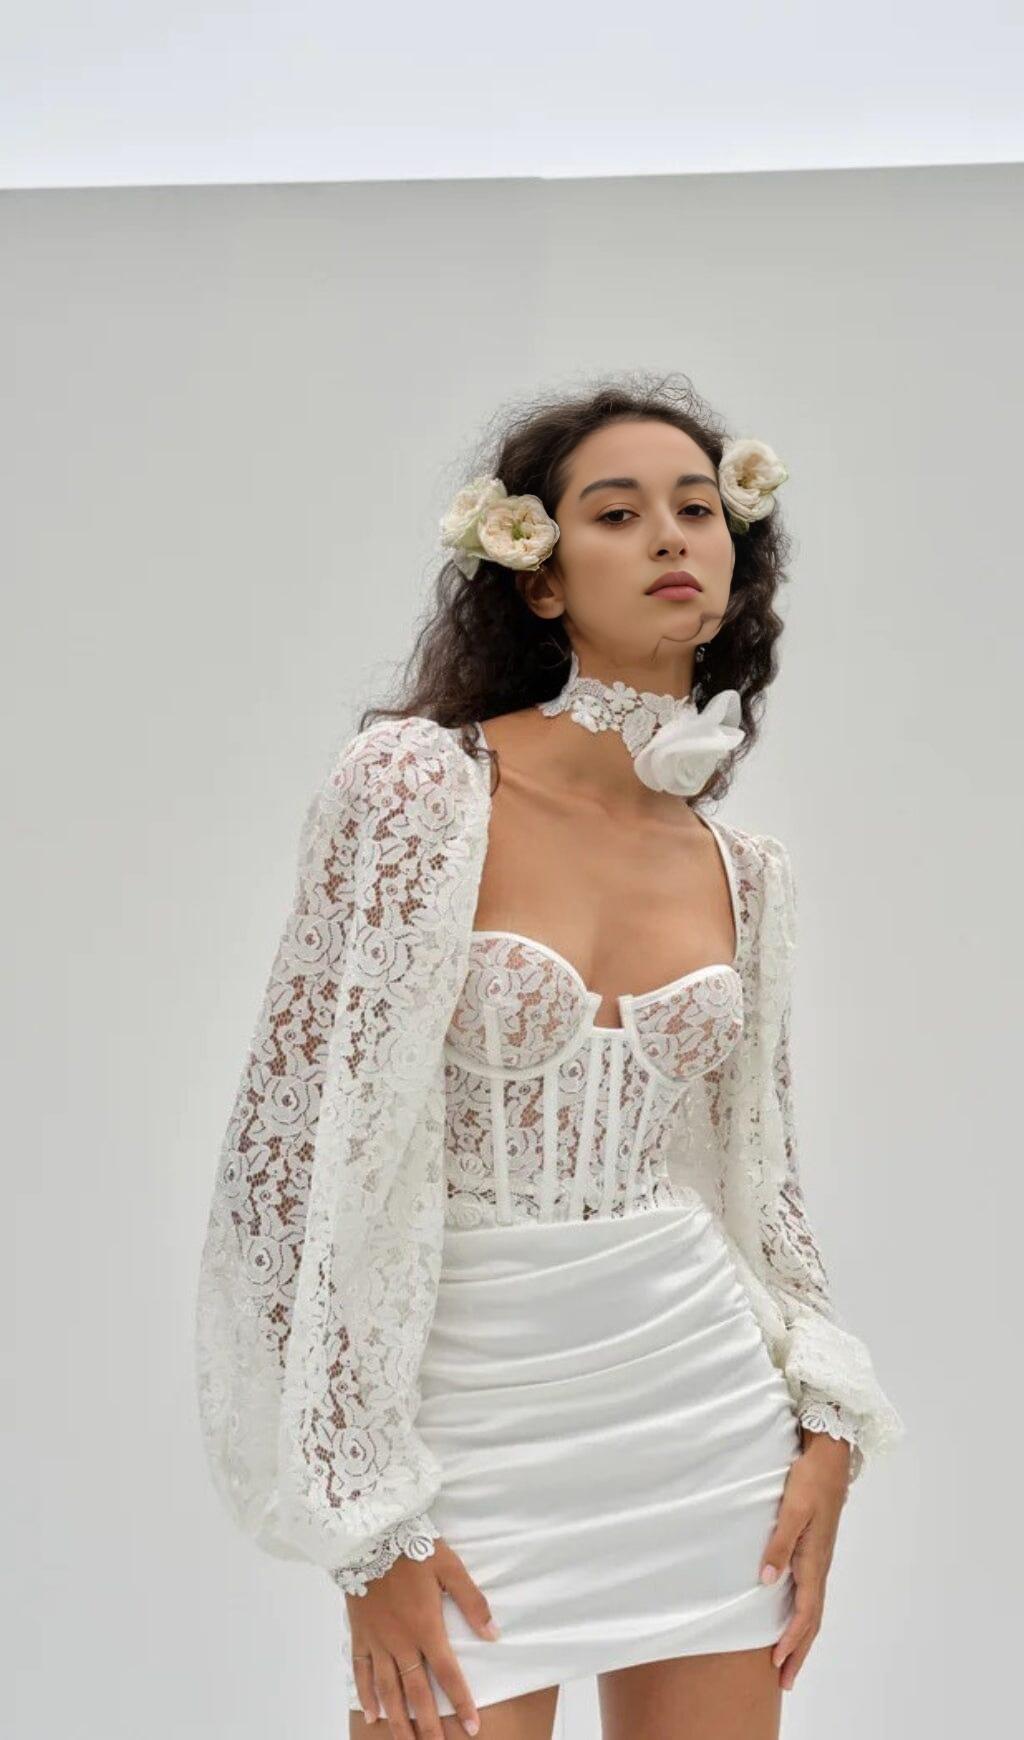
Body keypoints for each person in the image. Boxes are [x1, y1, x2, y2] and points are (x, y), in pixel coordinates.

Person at [194, 374, 905, 1740]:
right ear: (538, 576)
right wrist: (364, 1527)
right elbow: (289, 1167)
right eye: (617, 513)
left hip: (701, 1420)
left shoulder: (747, 871)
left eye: (698, 508)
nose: (671, 536)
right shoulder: (415, 789)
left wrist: (827, 1423)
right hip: (463, 1432)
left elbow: (763, 1188)